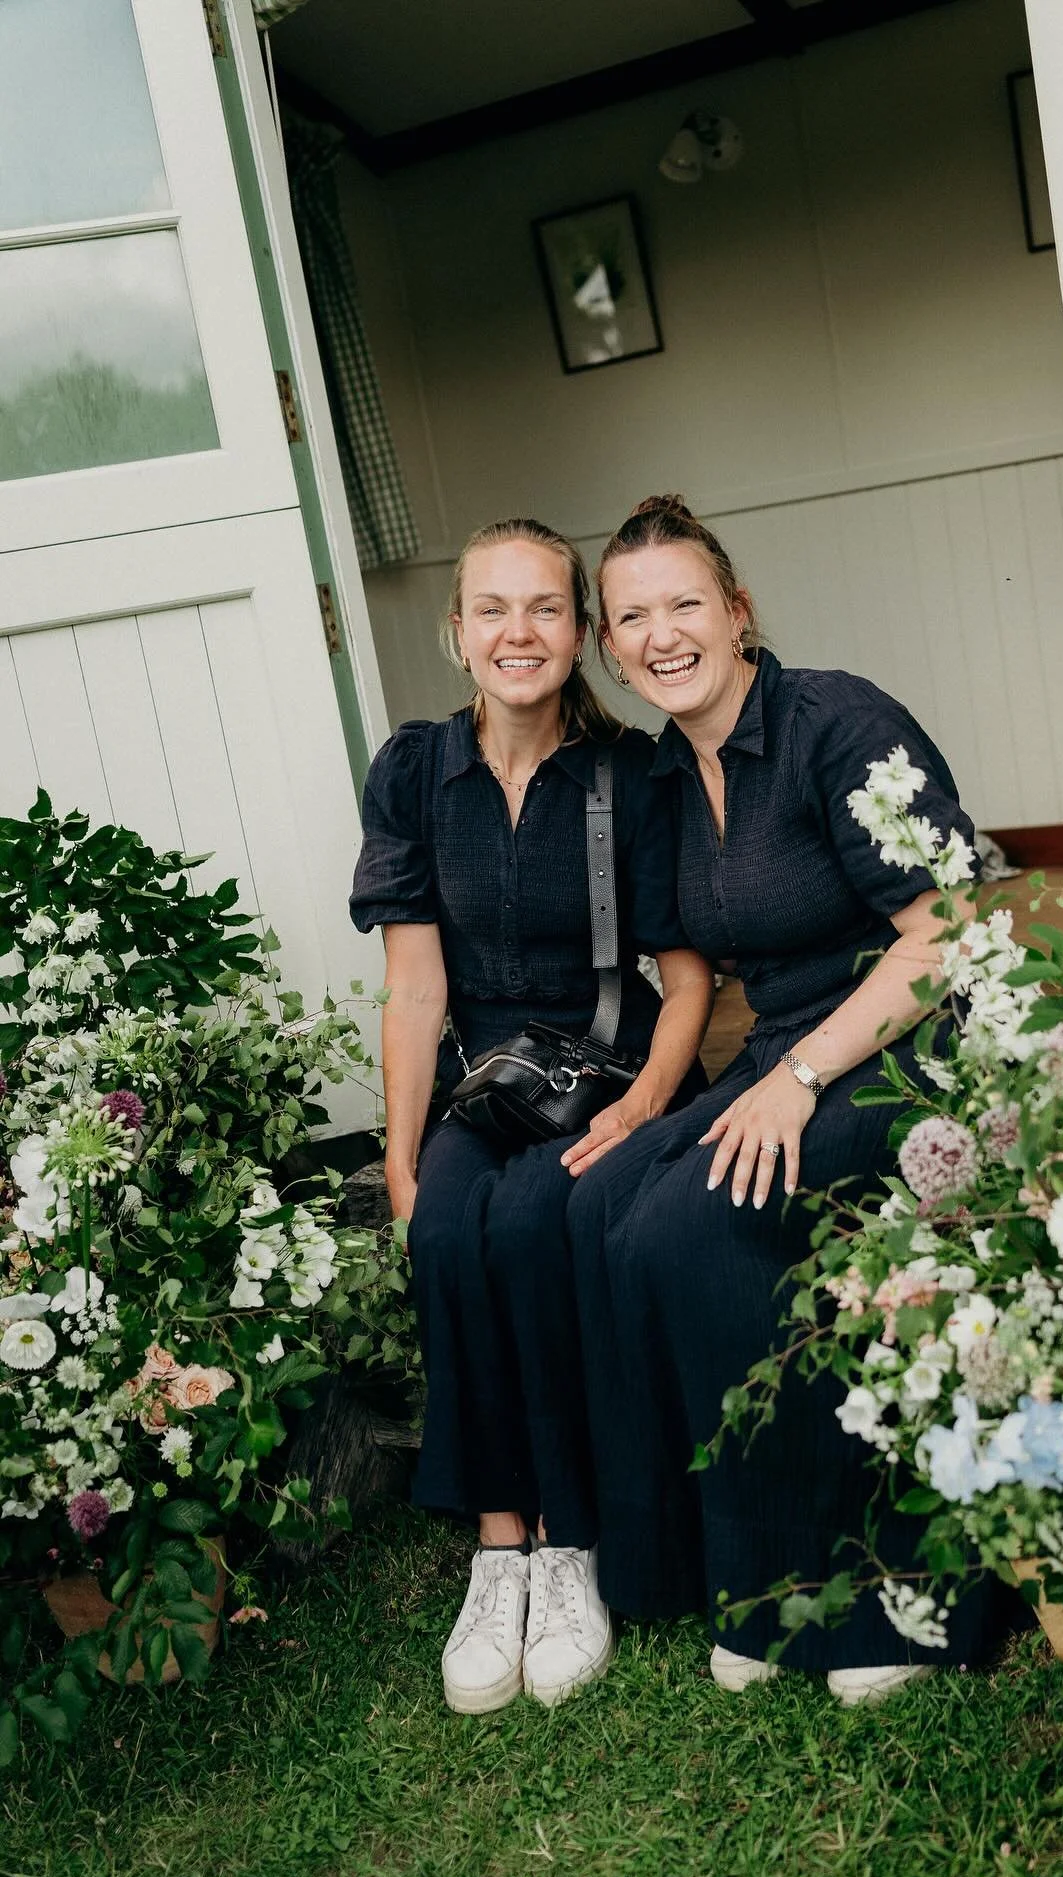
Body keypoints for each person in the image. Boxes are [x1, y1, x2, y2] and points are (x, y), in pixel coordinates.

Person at [569, 496, 1009, 1705]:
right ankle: (740, 1575)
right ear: (610, 646)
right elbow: (695, 967)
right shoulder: (668, 768)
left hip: (913, 1049)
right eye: (632, 619)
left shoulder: (839, 722)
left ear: (738, 611)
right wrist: (656, 1104)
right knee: (612, 1207)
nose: (662, 636)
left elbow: (949, 930)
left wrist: (802, 1078)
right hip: (787, 1054)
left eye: (684, 605)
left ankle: (882, 1598)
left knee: (697, 1222)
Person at [349, 518, 712, 1716]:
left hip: (607, 1070)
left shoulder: (630, 776)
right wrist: (402, 1162)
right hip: (478, 1082)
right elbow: (415, 986)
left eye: (546, 608)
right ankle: (497, 1546)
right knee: (448, 1229)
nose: (519, 632)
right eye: (493, 609)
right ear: (455, 633)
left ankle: (568, 1546)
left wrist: (648, 1102)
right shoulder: (414, 771)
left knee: (528, 1229)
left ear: (581, 636)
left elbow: (690, 980)